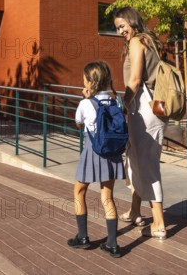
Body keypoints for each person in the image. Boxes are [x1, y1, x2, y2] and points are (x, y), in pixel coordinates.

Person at [113, 6, 167, 240]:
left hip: (144, 109)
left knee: (146, 164)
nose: (119, 32)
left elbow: (134, 81)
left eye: (122, 26)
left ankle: (159, 222)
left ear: (132, 22)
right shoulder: (151, 40)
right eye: (117, 28)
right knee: (136, 160)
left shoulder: (136, 42)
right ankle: (136, 211)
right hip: (158, 107)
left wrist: (122, 106)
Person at [67, 61, 125, 258]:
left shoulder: (85, 103)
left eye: (84, 78)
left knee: (79, 191)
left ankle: (83, 236)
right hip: (112, 152)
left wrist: (86, 98)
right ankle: (112, 243)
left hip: (93, 151)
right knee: (107, 196)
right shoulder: (116, 101)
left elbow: (78, 123)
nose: (82, 81)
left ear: (90, 82)